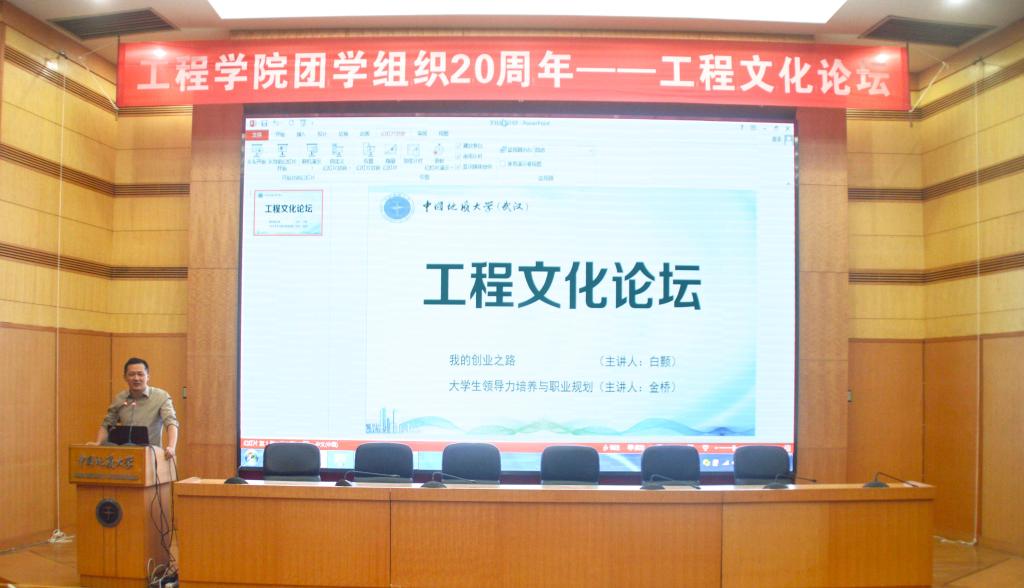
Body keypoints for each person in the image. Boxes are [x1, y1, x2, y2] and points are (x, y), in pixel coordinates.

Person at [94, 357, 179, 459]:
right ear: (125, 377)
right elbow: (107, 424)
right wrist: (98, 443)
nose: (136, 378)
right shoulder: (119, 399)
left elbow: (171, 422)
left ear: (148, 376)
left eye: (140, 374)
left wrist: (171, 447)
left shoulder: (161, 397)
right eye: (131, 374)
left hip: (151, 456)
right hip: (125, 457)